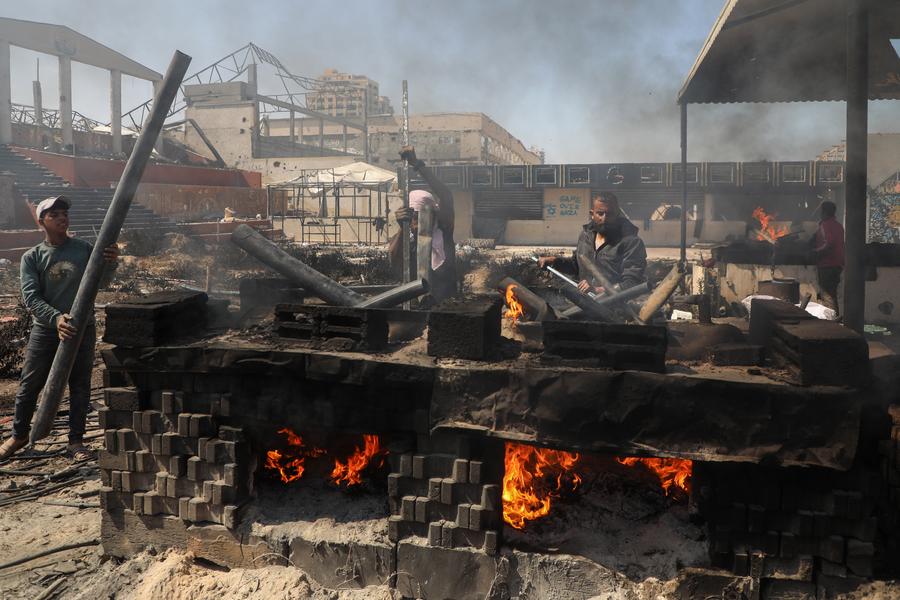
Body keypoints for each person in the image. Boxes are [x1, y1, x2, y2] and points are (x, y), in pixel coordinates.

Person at [0, 196, 119, 462]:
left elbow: (102, 282)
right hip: (47, 330)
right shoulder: (33, 257)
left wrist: (111, 262)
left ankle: (76, 442)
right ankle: (19, 435)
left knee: (80, 385)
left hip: (81, 328)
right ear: (42, 221)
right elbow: (31, 298)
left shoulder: (84, 249)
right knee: (30, 385)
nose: (62, 217)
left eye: (64, 213)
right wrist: (56, 318)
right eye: (55, 214)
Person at [538, 191, 647, 294]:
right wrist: (554, 261)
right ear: (592, 214)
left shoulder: (631, 243)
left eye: (610, 214)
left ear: (617, 214)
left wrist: (598, 290)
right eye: (600, 213)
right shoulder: (585, 236)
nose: (604, 218)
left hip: (614, 307)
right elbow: (576, 266)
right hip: (585, 303)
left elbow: (632, 283)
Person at [388, 146, 457, 304]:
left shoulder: (443, 231)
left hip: (445, 305)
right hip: (416, 305)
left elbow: (446, 195)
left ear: (433, 214)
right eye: (412, 217)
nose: (416, 223)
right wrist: (402, 229)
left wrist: (417, 164)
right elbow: (394, 259)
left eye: (421, 216)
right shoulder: (407, 238)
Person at [811, 200, 845, 315]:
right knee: (832, 295)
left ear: (824, 212)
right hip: (837, 265)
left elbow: (829, 243)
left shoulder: (825, 225)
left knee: (827, 296)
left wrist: (815, 251)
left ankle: (831, 324)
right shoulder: (839, 226)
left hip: (827, 265)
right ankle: (835, 321)